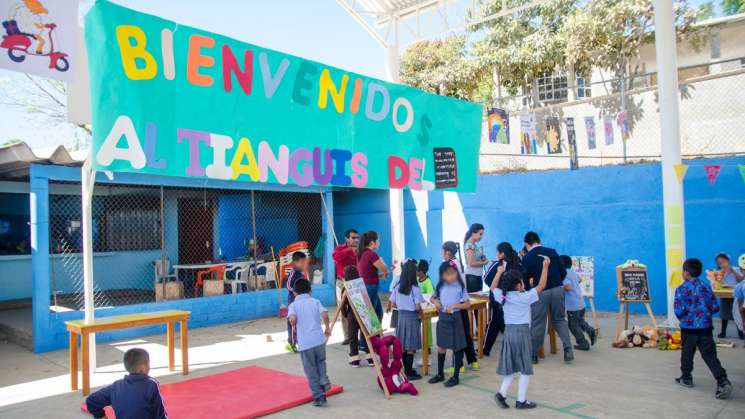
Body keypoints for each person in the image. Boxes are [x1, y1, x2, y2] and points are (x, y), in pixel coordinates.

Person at [494, 255, 551, 410]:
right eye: (521, 281)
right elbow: (542, 286)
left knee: (511, 366)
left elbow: (493, 288)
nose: (523, 283)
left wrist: (499, 273)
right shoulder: (525, 297)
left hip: (509, 333)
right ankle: (521, 401)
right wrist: (545, 267)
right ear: (518, 285)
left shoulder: (503, 296)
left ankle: (502, 393)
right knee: (526, 368)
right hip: (522, 333)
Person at [674, 258, 732, 399]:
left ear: (686, 273)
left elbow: (679, 310)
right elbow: (715, 307)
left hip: (689, 329)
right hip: (706, 328)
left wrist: (686, 318)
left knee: (687, 354)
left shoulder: (681, 289)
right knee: (710, 355)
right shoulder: (706, 287)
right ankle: (722, 380)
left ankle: (686, 377)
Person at [522, 231, 573, 364]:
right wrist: (557, 282)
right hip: (557, 289)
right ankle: (568, 349)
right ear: (539, 240)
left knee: (538, 322)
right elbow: (563, 272)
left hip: (540, 292)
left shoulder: (527, 258)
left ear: (527, 244)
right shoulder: (552, 251)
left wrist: (530, 290)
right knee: (560, 319)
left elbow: (525, 280)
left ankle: (533, 354)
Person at [85, 348, 167, 419]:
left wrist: (101, 416)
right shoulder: (151, 385)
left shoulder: (116, 387)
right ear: (142, 368)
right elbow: (160, 414)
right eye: (148, 363)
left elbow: (91, 401)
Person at [288, 279, 333, 406]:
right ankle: (324, 379)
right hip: (319, 340)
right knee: (321, 362)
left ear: (295, 292)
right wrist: (327, 328)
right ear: (310, 290)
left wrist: (293, 320)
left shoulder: (293, 305)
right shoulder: (315, 301)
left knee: (311, 371)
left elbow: (292, 319)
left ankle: (319, 397)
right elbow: (325, 314)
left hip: (305, 343)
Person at [428, 260, 471, 387]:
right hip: (443, 318)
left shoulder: (460, 286)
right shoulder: (440, 285)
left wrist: (455, 306)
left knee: (457, 347)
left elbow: (467, 304)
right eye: (447, 274)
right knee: (441, 346)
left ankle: (455, 376)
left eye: (452, 273)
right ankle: (440, 374)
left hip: (455, 317)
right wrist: (435, 302)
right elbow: (433, 297)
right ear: (442, 275)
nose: (450, 277)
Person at [441, 241, 479, 372]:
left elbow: (446, 285)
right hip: (463, 300)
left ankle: (459, 365)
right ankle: (473, 361)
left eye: (442, 251)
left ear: (447, 252)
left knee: (456, 335)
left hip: (455, 304)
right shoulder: (457, 262)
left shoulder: (448, 265)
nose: (441, 254)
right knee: (465, 333)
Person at [483, 242, 520, 356]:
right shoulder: (518, 263)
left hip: (498, 298)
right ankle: (514, 349)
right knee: (513, 322)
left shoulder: (498, 265)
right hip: (514, 298)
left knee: (494, 321)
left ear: (502, 254)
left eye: (498, 252)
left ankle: (486, 349)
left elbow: (487, 279)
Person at [391, 259, 424, 380]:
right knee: (411, 346)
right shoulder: (415, 288)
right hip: (411, 318)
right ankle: (409, 373)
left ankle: (406, 370)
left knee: (404, 345)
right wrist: (421, 313)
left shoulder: (397, 286)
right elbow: (417, 306)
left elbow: (393, 304)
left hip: (401, 318)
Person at [357, 231, 389, 352]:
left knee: (377, 314)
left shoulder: (362, 253)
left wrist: (382, 274)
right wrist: (384, 268)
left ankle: (373, 341)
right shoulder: (371, 254)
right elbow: (383, 268)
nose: (379, 242)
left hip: (366, 286)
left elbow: (369, 273)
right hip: (369, 287)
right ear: (372, 243)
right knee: (370, 317)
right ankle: (365, 344)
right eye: (378, 240)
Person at [561, 255, 596, 351]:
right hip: (580, 303)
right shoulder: (572, 272)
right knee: (580, 321)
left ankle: (583, 343)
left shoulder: (563, 274)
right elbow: (580, 279)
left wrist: (560, 287)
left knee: (572, 325)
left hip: (573, 306)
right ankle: (591, 331)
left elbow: (568, 287)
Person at [341, 266, 374, 367]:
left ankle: (355, 360)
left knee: (353, 337)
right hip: (364, 312)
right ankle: (370, 359)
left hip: (352, 314)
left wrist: (346, 314)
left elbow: (343, 304)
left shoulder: (346, 288)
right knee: (367, 336)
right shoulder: (362, 285)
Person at [333, 229, 359, 345]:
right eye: (353, 238)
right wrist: (349, 250)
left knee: (357, 308)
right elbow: (336, 258)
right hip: (341, 282)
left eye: (357, 238)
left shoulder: (360, 249)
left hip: (355, 282)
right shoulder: (340, 248)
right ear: (347, 239)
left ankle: (358, 336)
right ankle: (347, 336)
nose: (356, 240)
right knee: (343, 309)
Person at [714, 253, 744, 339]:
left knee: (737, 314)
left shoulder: (736, 269)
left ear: (728, 261)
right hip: (725, 295)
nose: (722, 264)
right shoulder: (719, 272)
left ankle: (740, 332)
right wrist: (719, 276)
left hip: (736, 295)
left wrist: (733, 271)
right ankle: (723, 332)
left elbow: (741, 280)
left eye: (723, 262)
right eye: (719, 263)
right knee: (724, 314)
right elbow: (717, 284)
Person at [285, 251, 308, 353]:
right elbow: (289, 285)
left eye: (305, 262)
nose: (304, 264)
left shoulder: (302, 273)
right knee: (293, 323)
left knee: (301, 322)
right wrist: (297, 291)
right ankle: (292, 343)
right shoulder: (293, 273)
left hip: (301, 302)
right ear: (295, 262)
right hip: (293, 303)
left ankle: (300, 341)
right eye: (302, 262)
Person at [416, 259, 434, 363]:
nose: (415, 272)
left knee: (427, 329)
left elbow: (430, 295)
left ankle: (427, 346)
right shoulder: (417, 280)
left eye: (417, 270)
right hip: (418, 309)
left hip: (426, 309)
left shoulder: (428, 282)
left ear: (422, 271)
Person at [463, 223, 488, 293]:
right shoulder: (469, 245)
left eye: (482, 234)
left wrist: (482, 256)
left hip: (477, 276)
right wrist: (484, 262)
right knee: (476, 302)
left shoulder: (474, 245)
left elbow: (476, 260)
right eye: (480, 234)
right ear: (473, 232)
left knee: (479, 302)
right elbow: (471, 263)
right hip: (472, 277)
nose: (481, 237)